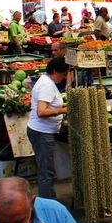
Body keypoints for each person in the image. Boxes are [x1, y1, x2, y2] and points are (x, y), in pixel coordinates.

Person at [27, 56, 69, 199]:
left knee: (46, 169)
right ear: (55, 71)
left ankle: (49, 199)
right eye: (63, 74)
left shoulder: (46, 81)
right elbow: (41, 112)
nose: (64, 78)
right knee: (46, 171)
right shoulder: (47, 86)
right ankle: (48, 203)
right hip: (42, 132)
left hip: (43, 131)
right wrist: (63, 110)